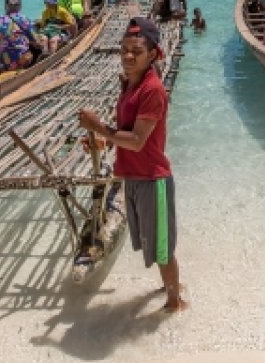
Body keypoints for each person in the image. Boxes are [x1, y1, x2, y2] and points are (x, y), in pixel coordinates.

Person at [79, 18, 186, 313]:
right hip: (133, 176)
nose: (128, 56)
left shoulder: (152, 90)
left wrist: (99, 128)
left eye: (136, 51)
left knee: (163, 250)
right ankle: (170, 289)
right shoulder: (130, 85)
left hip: (153, 179)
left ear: (152, 54)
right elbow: (128, 131)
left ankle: (175, 304)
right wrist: (105, 141)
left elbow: (138, 140)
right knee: (154, 243)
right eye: (124, 50)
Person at [0, 0, 38, 72]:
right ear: (20, 7)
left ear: (5, 6)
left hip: (1, 64)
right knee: (35, 50)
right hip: (20, 63)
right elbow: (36, 39)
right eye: (16, 5)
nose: (14, 6)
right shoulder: (23, 19)